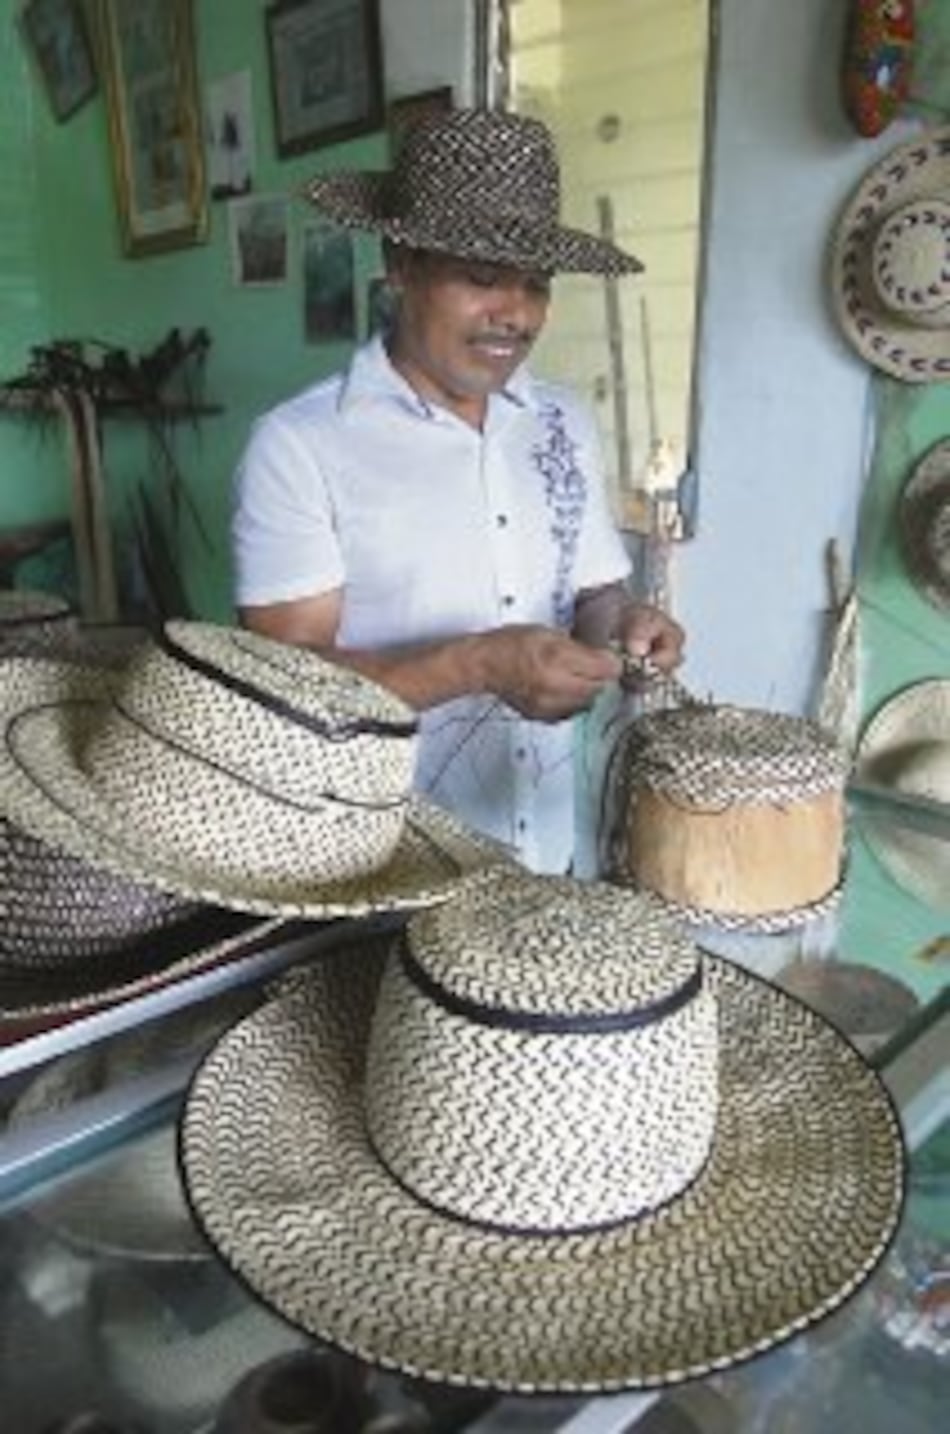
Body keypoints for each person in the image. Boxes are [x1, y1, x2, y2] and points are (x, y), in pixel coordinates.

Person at [233, 108, 684, 873]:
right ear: (400, 262)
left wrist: (629, 626)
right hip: (372, 870)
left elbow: (593, 593)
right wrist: (476, 664)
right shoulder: (300, 447)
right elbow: (283, 692)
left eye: (536, 285)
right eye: (481, 278)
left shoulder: (563, 421)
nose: (515, 313)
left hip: (543, 844)